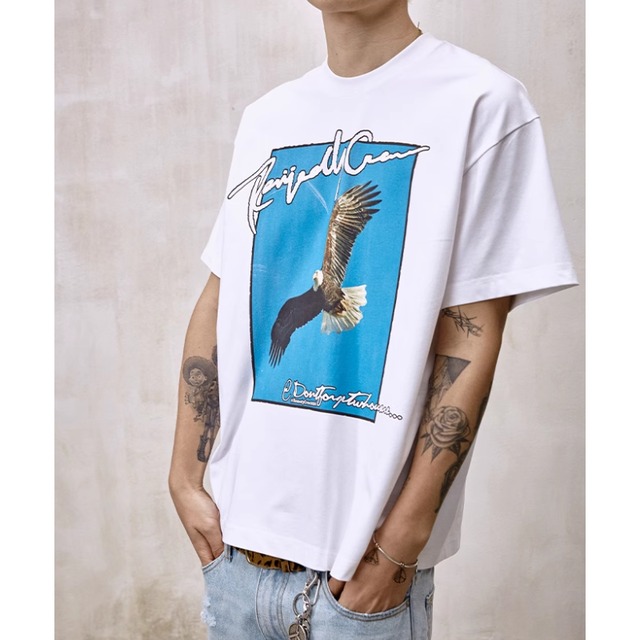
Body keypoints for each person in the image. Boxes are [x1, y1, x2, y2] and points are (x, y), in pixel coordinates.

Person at [169, 1, 578, 638]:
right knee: (283, 323)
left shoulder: (481, 101)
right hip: (238, 553)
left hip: (361, 576)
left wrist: (400, 545)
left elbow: (470, 332)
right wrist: (184, 474)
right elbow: (224, 296)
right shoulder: (267, 118)